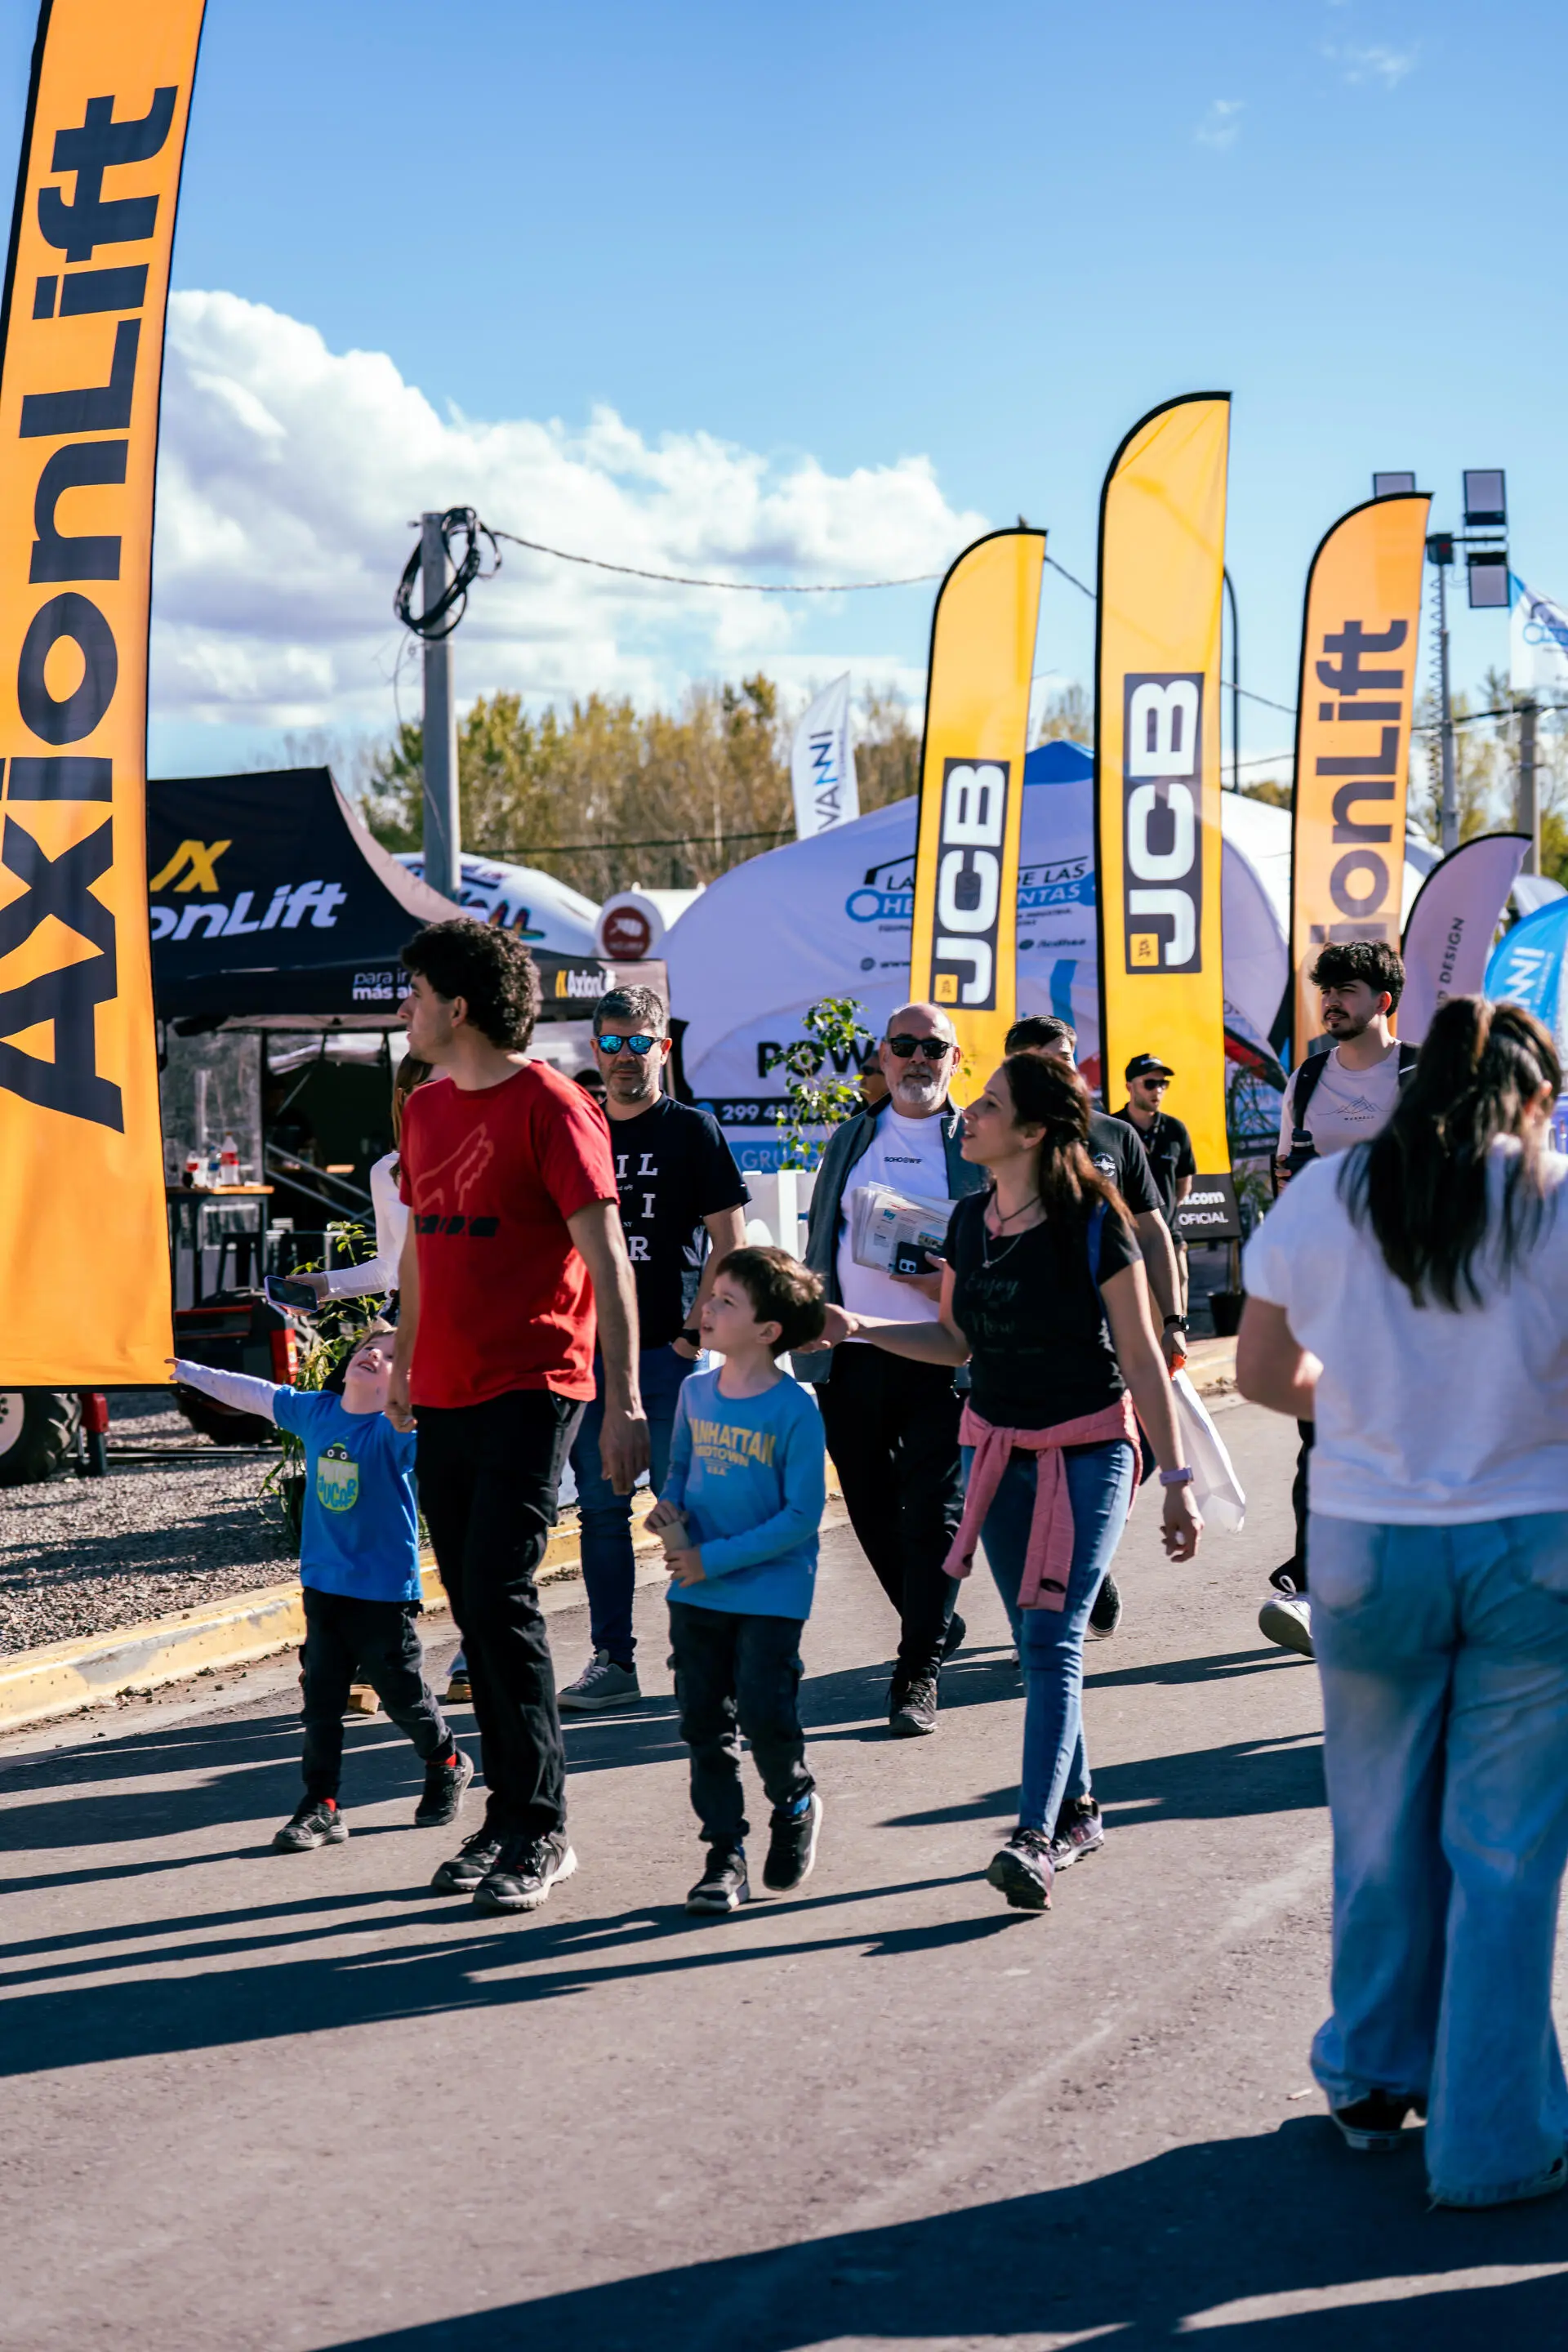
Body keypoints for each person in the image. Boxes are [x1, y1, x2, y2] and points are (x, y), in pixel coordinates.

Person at [1237, 996, 1568, 2207]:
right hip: (1533, 1541)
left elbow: (1262, 1372)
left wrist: (1378, 1404)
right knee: (1506, 1851)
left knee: (1377, 1822)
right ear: (1535, 1098)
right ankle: (1492, 2142)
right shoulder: (1555, 1197)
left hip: (1368, 1539)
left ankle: (1374, 2076)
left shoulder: (1333, 1191)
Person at [811, 1053, 1200, 1908]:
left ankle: (1035, 1835)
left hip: (1090, 1450)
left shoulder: (1095, 1224)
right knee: (1036, 1641)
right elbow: (954, 1341)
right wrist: (858, 1326)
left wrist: (1176, 1478)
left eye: (988, 1105)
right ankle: (1081, 1810)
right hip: (996, 1449)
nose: (970, 1115)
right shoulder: (968, 1221)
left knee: (1053, 1640)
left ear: (1031, 1132)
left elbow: (1141, 1359)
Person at [387, 920, 648, 1918]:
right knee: (473, 1604)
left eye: (415, 993)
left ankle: (542, 1828)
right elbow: (419, 1247)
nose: (403, 1009)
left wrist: (626, 1401)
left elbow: (609, 1259)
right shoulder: (424, 1108)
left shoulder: (553, 1104)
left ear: (458, 1007)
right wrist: (404, 1359)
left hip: (537, 1382)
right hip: (445, 1387)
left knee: (500, 1594)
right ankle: (504, 1818)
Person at [172, 1330, 473, 1851]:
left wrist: (421, 1413)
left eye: (393, 1356)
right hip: (323, 1586)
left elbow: (448, 1443)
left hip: (382, 1592)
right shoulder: (316, 1412)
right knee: (321, 1702)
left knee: (401, 1696)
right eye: (370, 1346)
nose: (375, 1353)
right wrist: (185, 1371)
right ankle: (322, 1806)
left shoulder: (399, 1431)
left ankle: (446, 1760)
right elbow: (251, 1392)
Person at [558, 986, 750, 1713]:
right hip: (591, 1359)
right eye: (612, 1043)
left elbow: (729, 1243)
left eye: (639, 1043)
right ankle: (614, 1661)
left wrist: (692, 1335)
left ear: (663, 1049)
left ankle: (701, 1653)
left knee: (683, 1509)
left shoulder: (692, 1131)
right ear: (595, 1049)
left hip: (668, 1356)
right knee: (602, 1513)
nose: (625, 1057)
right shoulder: (577, 1127)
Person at [800, 1001, 985, 1737]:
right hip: (850, 1355)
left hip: (943, 1359)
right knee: (871, 1508)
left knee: (934, 1516)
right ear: (881, 1055)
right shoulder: (851, 1139)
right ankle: (928, 1614)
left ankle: (917, 1672)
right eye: (903, 1045)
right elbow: (821, 1238)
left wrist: (946, 1281)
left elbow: (999, 1247)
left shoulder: (976, 1140)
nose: (917, 1059)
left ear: (954, 1059)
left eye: (932, 1048)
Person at [648, 1245, 829, 1915]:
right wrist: (669, 1509)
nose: (708, 1307)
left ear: (767, 1330)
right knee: (704, 1724)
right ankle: (724, 1856)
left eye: (727, 1301)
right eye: (711, 1295)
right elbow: (679, 1470)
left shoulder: (795, 1408)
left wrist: (711, 1559)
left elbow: (802, 1516)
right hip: (696, 1589)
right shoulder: (695, 1392)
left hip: (771, 1593)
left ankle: (795, 1800)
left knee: (763, 1713)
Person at [1004, 1013, 1188, 1642]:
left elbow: (1152, 1233)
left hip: (1116, 1335)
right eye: (1043, 1056)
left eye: (1065, 1056)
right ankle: (1067, 1592)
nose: (1059, 1067)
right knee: (1035, 1475)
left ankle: (1086, 1558)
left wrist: (1174, 1319)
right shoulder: (995, 1136)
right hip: (1026, 1341)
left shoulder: (1113, 1135)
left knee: (1128, 1453)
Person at [1265, 939, 1417, 1660]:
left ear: (1382, 1001)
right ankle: (1313, 1591)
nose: (1330, 1001)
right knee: (1321, 1443)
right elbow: (1287, 1173)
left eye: (1346, 990)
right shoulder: (1308, 1077)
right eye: (1325, 989)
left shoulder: (1424, 1076)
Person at [1111, 1054, 1196, 1314]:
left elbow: (1183, 1185)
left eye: (1163, 1084)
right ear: (1129, 1086)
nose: (1158, 1090)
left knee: (1176, 1316)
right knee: (1135, 1315)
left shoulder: (1175, 1129)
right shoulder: (1113, 1129)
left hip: (1169, 1236)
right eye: (1150, 1083)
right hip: (1124, 1240)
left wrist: (1159, 1216)